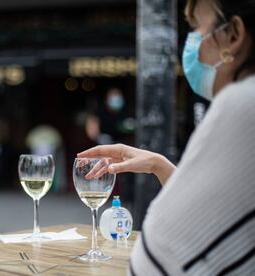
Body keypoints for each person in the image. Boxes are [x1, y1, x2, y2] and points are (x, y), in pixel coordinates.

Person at [78, 0, 255, 275]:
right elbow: (210, 217)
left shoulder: (242, 101)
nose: (192, 47)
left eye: (197, 28)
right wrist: (158, 165)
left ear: (233, 34)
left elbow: (170, 244)